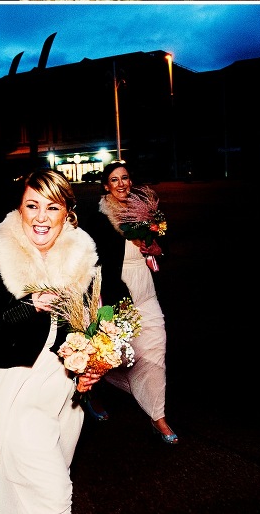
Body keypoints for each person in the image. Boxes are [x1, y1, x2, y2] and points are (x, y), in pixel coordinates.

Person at [0, 169, 103, 514]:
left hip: (65, 395)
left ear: (67, 214)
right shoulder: (1, 255)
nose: (41, 218)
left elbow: (89, 332)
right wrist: (29, 306)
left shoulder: (82, 261)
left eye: (53, 207)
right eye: (32, 206)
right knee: (50, 495)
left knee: (11, 477)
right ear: (20, 210)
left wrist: (92, 369)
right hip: (15, 385)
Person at [82, 160, 177, 443]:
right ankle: (90, 392)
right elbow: (91, 258)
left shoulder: (143, 209)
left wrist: (157, 247)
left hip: (145, 289)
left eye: (125, 178)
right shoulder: (100, 216)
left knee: (156, 346)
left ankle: (157, 416)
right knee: (111, 356)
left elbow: (162, 245)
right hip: (115, 292)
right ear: (105, 185)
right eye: (114, 180)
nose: (121, 184)